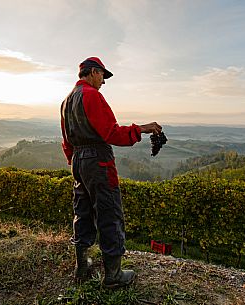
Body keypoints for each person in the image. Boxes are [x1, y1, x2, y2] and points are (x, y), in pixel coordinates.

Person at [60, 56, 162, 287]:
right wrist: (141, 129)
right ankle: (113, 275)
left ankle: (81, 267)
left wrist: (76, 161)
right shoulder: (92, 95)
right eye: (103, 76)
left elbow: (66, 140)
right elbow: (111, 133)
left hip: (78, 161)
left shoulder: (66, 101)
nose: (104, 82)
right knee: (109, 213)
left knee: (82, 211)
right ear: (93, 72)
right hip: (98, 161)